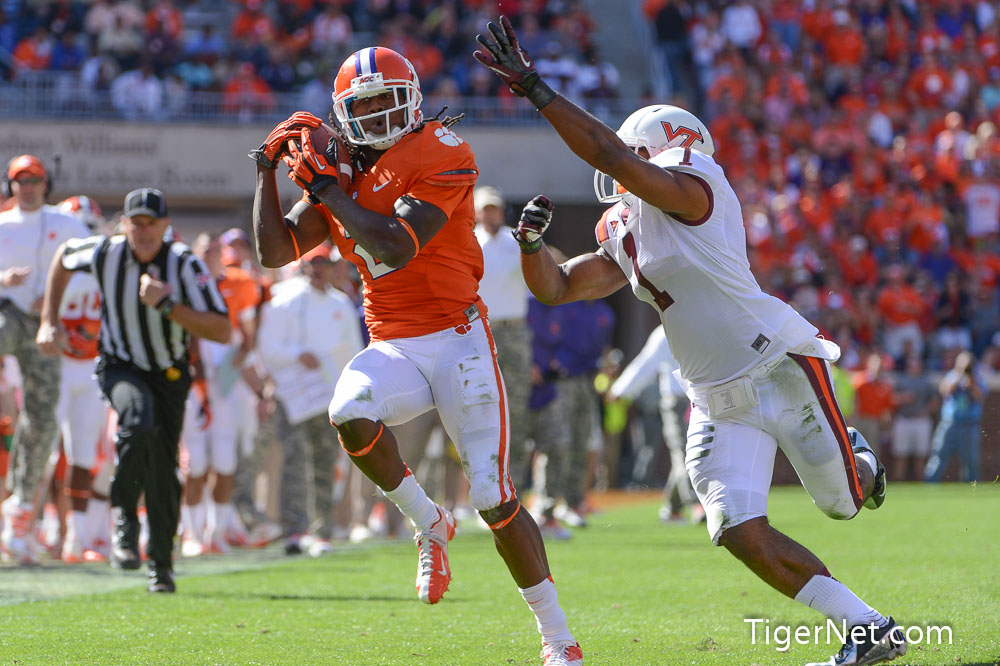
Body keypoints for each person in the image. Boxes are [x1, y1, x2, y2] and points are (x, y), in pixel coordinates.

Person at [475, 18, 904, 666]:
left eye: (630, 152)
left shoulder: (697, 186)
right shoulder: (627, 225)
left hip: (775, 367)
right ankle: (869, 628)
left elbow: (611, 158)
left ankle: (860, 461)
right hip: (714, 394)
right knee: (734, 528)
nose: (618, 170)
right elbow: (559, 287)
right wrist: (532, 247)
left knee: (843, 505)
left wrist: (535, 87)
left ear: (661, 148)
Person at [250, 46, 582, 665]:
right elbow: (275, 251)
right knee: (348, 410)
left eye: (385, 99)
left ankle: (558, 637)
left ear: (413, 98)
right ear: (344, 112)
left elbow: (395, 245)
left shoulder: (443, 150)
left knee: (492, 495)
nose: (376, 114)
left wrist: (328, 188)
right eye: (364, 104)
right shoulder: (341, 170)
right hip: (394, 343)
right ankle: (429, 521)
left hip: (459, 340)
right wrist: (265, 174)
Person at [36, 187, 230, 593]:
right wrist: (48, 320)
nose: (143, 232)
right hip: (119, 365)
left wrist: (168, 306)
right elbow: (63, 258)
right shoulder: (105, 252)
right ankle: (125, 516)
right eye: (136, 223)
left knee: (163, 471)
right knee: (136, 421)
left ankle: (161, 564)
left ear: (165, 226)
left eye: (151, 224)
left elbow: (222, 329)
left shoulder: (183, 262)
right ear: (124, 225)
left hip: (170, 374)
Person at [0, 155, 90, 563]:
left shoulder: (69, 224)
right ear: (10, 186)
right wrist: (4, 280)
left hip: (47, 323)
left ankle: (20, 514)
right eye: (21, 180)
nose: (29, 187)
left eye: (35, 179)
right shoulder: (2, 226)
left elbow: (88, 272)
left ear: (46, 183)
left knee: (42, 418)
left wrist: (55, 299)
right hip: (8, 313)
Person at [256, 243, 363, 556]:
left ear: (332, 267)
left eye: (324, 264)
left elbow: (352, 351)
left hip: (328, 397)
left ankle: (322, 529)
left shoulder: (341, 303)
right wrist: (296, 356)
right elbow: (269, 347)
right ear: (304, 266)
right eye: (313, 264)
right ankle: (294, 529)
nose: (318, 270)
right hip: (293, 396)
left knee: (324, 461)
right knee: (293, 461)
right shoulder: (284, 299)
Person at [179, 232, 260, 556]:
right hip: (192, 382)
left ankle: (218, 531)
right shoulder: (183, 284)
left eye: (214, 250)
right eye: (204, 251)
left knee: (225, 457)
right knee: (195, 460)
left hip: (226, 380)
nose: (210, 256)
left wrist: (238, 360)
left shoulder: (240, 283)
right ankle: (192, 532)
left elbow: (249, 336)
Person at [52, 195, 112, 562]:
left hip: (90, 368)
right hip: (56, 366)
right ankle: (25, 530)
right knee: (41, 454)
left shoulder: (107, 267)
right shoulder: (52, 267)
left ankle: (77, 537)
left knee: (84, 454)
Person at [608, 325, 704, 525]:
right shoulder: (666, 330)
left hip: (700, 399)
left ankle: (673, 508)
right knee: (684, 454)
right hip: (676, 401)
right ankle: (696, 503)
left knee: (689, 454)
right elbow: (645, 364)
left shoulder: (701, 323)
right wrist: (621, 390)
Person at [473, 186, 534, 490]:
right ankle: (486, 487)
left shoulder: (517, 239)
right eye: (485, 209)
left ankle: (515, 489)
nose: (490, 214)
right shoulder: (468, 241)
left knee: (516, 411)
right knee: (482, 409)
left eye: (494, 208)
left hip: (515, 331)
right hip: (481, 331)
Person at [924, 350, 985, 483]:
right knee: (939, 455)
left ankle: (972, 489)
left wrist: (971, 382)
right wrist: (959, 376)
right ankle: (930, 485)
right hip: (950, 423)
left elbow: (980, 397)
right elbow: (944, 391)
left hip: (970, 425)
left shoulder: (977, 378)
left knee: (971, 460)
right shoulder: (951, 376)